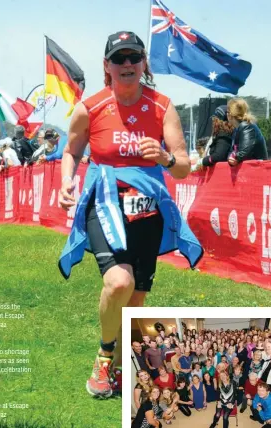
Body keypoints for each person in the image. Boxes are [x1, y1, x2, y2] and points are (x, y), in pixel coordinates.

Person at [58, 30, 203, 398]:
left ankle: (120, 370)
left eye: (133, 57)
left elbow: (184, 166)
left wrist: (167, 158)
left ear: (143, 64)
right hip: (104, 203)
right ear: (106, 66)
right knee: (118, 283)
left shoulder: (161, 106)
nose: (126, 64)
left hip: (148, 210)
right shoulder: (89, 107)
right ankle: (105, 358)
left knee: (136, 300)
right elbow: (72, 150)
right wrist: (67, 182)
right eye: (118, 58)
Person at [191, 105, 233, 172]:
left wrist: (202, 162)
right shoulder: (221, 134)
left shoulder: (223, 135)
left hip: (219, 174)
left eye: (214, 119)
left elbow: (218, 156)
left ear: (218, 120)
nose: (213, 121)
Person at [227, 98, 268, 165]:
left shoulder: (246, 126)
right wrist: (230, 157)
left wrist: (233, 157)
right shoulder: (237, 128)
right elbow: (232, 151)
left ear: (230, 115)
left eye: (227, 112)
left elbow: (244, 152)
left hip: (257, 170)